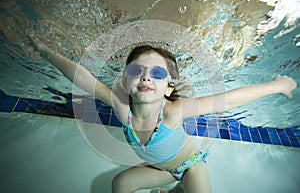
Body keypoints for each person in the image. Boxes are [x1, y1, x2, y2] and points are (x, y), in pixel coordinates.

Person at [28, 34, 297, 193]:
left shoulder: (173, 112)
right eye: (137, 71)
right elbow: (82, 77)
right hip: (163, 171)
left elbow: (227, 100)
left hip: (191, 167)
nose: (146, 77)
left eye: (157, 73)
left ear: (169, 88)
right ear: (125, 82)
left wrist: (277, 85)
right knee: (119, 184)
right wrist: (44, 50)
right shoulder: (123, 109)